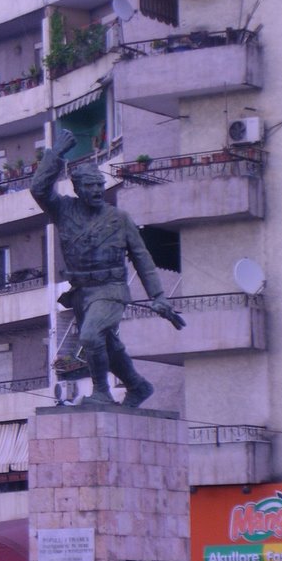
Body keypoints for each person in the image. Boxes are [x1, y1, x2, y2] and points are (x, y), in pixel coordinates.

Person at [30, 129, 185, 408]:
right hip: (81, 292)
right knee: (108, 346)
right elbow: (38, 189)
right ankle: (138, 386)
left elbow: (142, 258)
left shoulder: (119, 218)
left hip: (111, 288)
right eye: (90, 186)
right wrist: (55, 154)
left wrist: (158, 296)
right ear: (77, 189)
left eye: (100, 185)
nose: (97, 191)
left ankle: (101, 391)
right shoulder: (63, 210)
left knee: (90, 335)